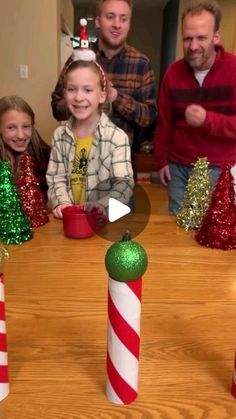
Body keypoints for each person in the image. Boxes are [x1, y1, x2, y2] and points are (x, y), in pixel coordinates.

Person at [153, 0, 236, 215]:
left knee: (210, 232)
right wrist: (162, 161)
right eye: (188, 38)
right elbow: (164, 122)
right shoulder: (172, 74)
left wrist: (208, 120)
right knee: (177, 231)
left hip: (220, 166)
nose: (193, 46)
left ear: (216, 37)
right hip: (178, 167)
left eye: (201, 38)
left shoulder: (234, 70)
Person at [51, 0, 157, 143]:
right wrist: (79, 98)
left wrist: (115, 97)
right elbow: (57, 109)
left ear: (129, 24)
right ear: (98, 21)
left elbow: (149, 117)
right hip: (78, 151)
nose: (117, 25)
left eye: (123, 19)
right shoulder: (78, 58)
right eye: (110, 16)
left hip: (120, 157)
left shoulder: (141, 64)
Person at [46, 59, 134, 219]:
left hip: (103, 223)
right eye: (72, 89)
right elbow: (55, 177)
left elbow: (124, 184)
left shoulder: (117, 138)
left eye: (87, 90)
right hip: (70, 221)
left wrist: (102, 206)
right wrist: (62, 203)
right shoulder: (59, 136)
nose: (79, 97)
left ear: (102, 95)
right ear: (65, 94)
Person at [0, 95, 50, 197]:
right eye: (11, 127)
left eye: (26, 126)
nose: (20, 135)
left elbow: (42, 199)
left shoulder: (42, 155)